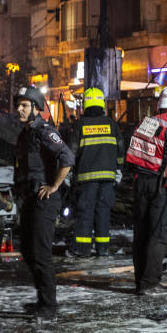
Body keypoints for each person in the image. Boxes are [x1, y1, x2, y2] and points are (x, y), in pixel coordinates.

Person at [14, 86, 74, 321]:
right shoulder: (25, 133)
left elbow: (67, 158)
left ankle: (49, 306)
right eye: (18, 105)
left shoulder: (44, 131)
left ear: (36, 108)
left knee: (40, 253)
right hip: (29, 198)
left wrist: (55, 185)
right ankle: (42, 300)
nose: (19, 109)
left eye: (25, 105)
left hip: (45, 200)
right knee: (28, 250)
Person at [124, 84, 167, 295]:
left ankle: (140, 281)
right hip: (160, 186)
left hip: (139, 182)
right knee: (158, 234)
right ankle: (151, 282)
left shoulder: (146, 123)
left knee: (141, 233)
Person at [65, 87, 126, 258]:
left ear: (85, 104)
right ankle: (103, 248)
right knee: (103, 212)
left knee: (85, 212)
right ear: (102, 104)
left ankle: (81, 249)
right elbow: (121, 149)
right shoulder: (111, 124)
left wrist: (68, 173)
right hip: (108, 178)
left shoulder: (80, 124)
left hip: (86, 179)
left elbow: (72, 151)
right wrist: (119, 170)